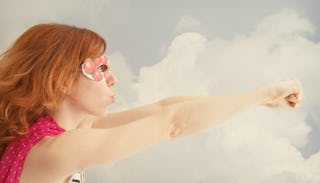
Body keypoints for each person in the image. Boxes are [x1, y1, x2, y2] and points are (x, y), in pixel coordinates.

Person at [0, 23, 303, 183]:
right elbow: (172, 122)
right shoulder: (56, 150)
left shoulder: (67, 132)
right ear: (63, 80)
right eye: (101, 68)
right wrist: (262, 96)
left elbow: (165, 108)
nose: (112, 78)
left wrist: (261, 97)